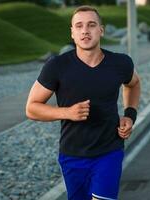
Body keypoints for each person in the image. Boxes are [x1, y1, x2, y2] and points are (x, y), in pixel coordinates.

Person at [26, 5, 140, 200]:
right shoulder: (56, 66)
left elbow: (133, 84)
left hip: (109, 151)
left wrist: (130, 115)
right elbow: (31, 108)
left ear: (101, 30)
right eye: (79, 26)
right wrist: (66, 112)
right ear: (72, 33)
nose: (85, 30)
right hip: (72, 155)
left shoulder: (120, 63)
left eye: (91, 25)